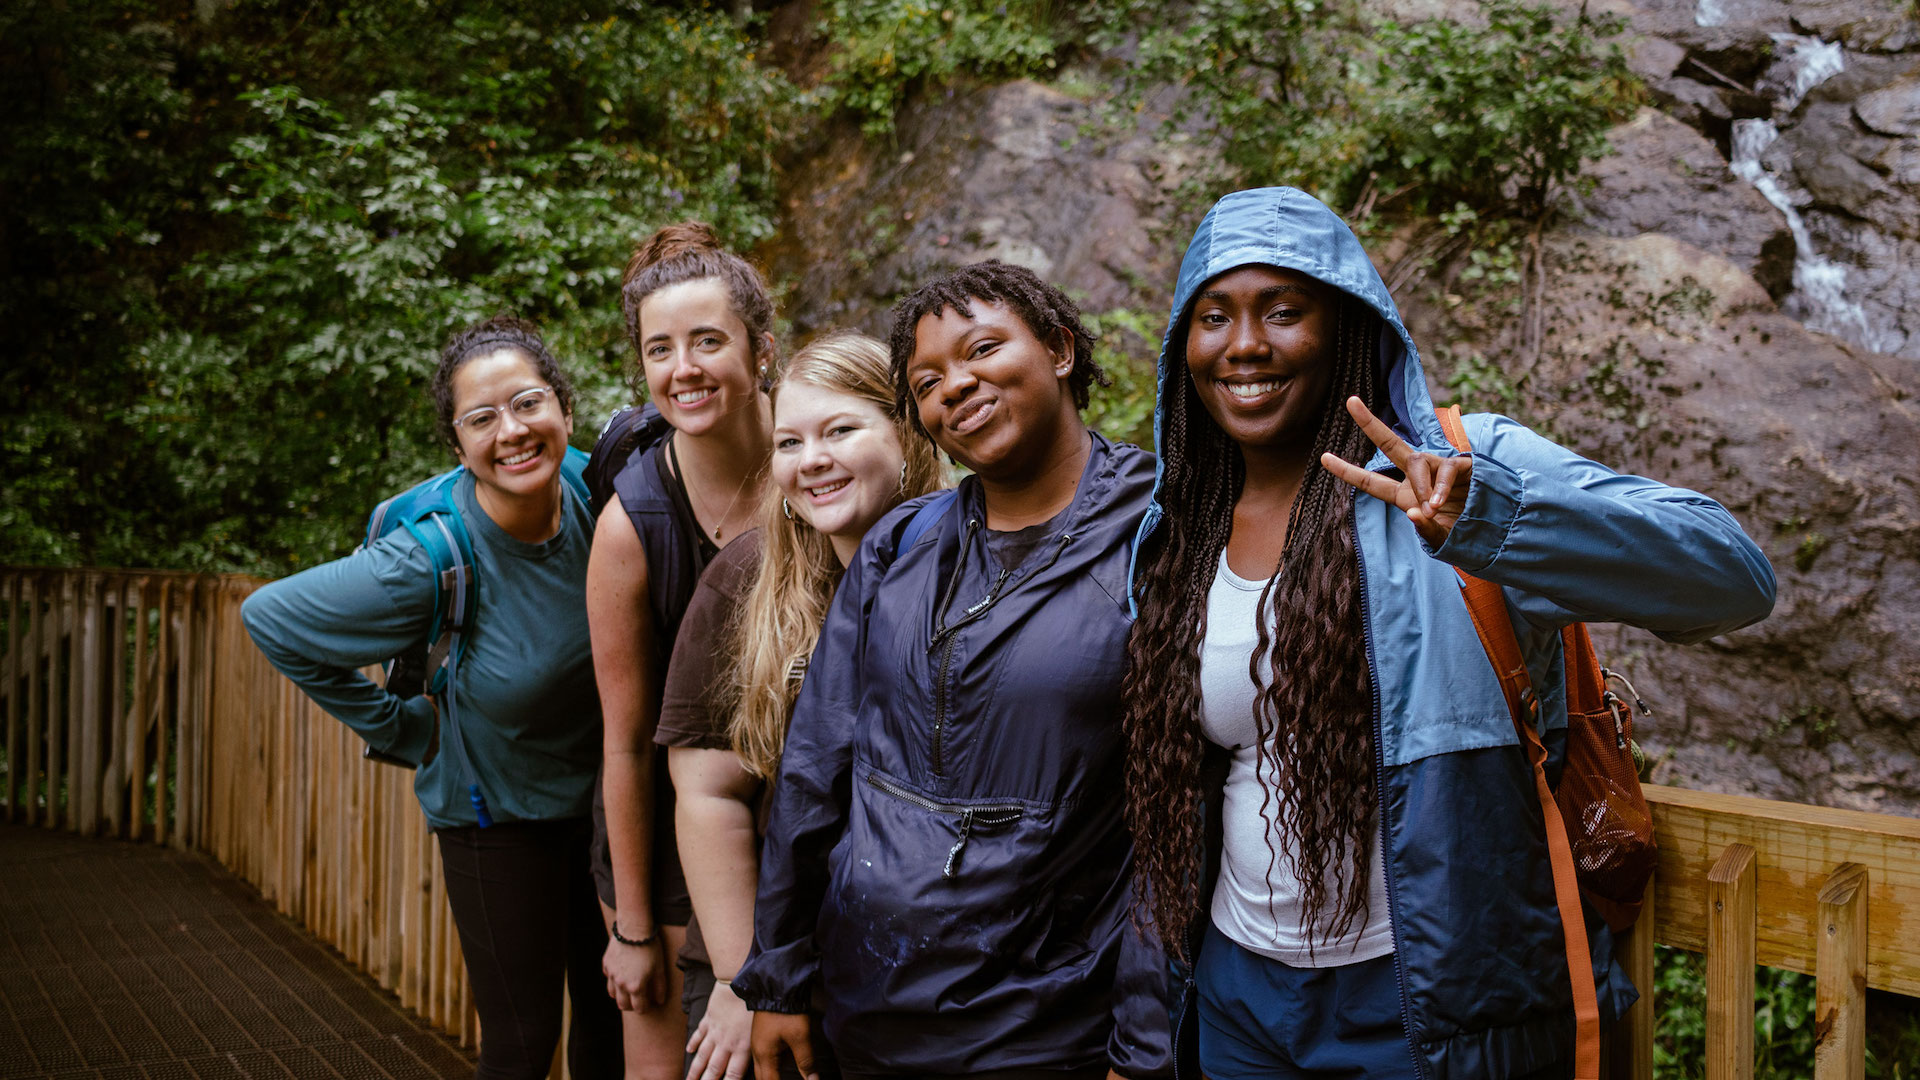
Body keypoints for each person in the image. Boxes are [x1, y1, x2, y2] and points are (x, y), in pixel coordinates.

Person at [1120, 186, 1777, 1079]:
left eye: (1283, 311)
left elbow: (1732, 577)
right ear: (1181, 349)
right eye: (1214, 317)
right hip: (1241, 997)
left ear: (1346, 327)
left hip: (1426, 999)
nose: (1244, 344)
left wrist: (1494, 521)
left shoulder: (1467, 467)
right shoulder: (1181, 530)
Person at [736, 262, 1174, 1080]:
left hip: (1046, 1032)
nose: (957, 386)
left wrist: (1143, 1048)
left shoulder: (1157, 541)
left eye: (982, 350)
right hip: (862, 1013)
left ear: (1060, 348)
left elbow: (1174, 822)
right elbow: (814, 773)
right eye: (928, 381)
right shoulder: (898, 548)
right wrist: (778, 974)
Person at [242, 314, 623, 1080]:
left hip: (607, 810)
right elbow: (268, 617)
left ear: (565, 410)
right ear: (457, 446)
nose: (511, 431)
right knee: (523, 1039)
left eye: (527, 403)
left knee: (615, 1025)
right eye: (481, 419)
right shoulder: (425, 560)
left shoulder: (601, 492)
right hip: (497, 818)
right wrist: (402, 730)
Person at [656, 331, 947, 1080]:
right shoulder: (745, 580)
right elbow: (708, 792)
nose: (810, 459)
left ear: (909, 432)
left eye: (840, 430)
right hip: (760, 948)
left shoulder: (975, 562)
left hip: (926, 970)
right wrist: (740, 977)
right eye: (789, 440)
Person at [590, 223, 777, 1078]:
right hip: (664, 835)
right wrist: (632, 926)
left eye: (708, 341)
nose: (685, 369)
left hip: (801, 816)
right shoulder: (633, 526)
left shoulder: (822, 467)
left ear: (761, 350)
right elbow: (625, 740)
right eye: (660, 349)